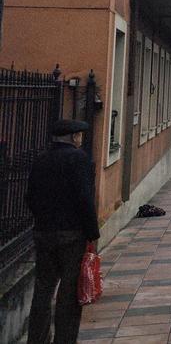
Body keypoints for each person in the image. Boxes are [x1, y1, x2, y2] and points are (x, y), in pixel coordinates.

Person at [26, 118, 100, 344]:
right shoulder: (79, 160)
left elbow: (30, 197)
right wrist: (92, 233)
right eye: (79, 136)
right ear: (74, 137)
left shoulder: (40, 160)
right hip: (72, 234)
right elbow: (85, 199)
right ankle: (65, 340)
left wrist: (43, 219)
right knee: (69, 293)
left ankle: (37, 340)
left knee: (43, 290)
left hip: (44, 232)